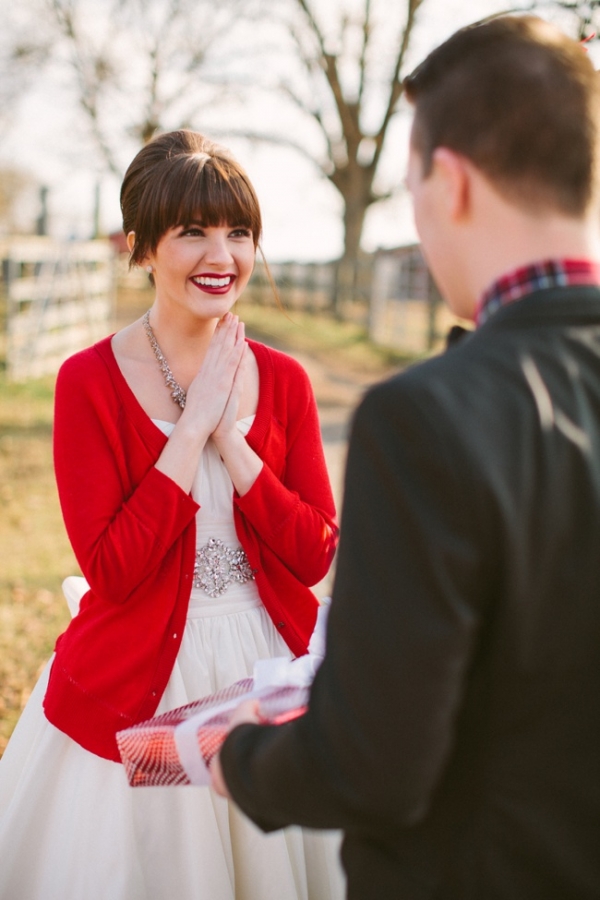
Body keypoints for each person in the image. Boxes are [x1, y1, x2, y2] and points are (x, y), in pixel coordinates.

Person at [211, 15, 600, 900]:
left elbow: (373, 764)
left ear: (452, 182)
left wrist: (241, 756)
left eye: (413, 190)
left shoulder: (426, 417)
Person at [0, 130, 345, 900]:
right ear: (142, 246)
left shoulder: (284, 380)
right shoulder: (86, 382)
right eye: (192, 231)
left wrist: (235, 440)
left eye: (238, 231)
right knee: (169, 873)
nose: (221, 253)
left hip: (268, 673)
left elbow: (316, 552)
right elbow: (113, 571)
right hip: (144, 682)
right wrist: (190, 435)